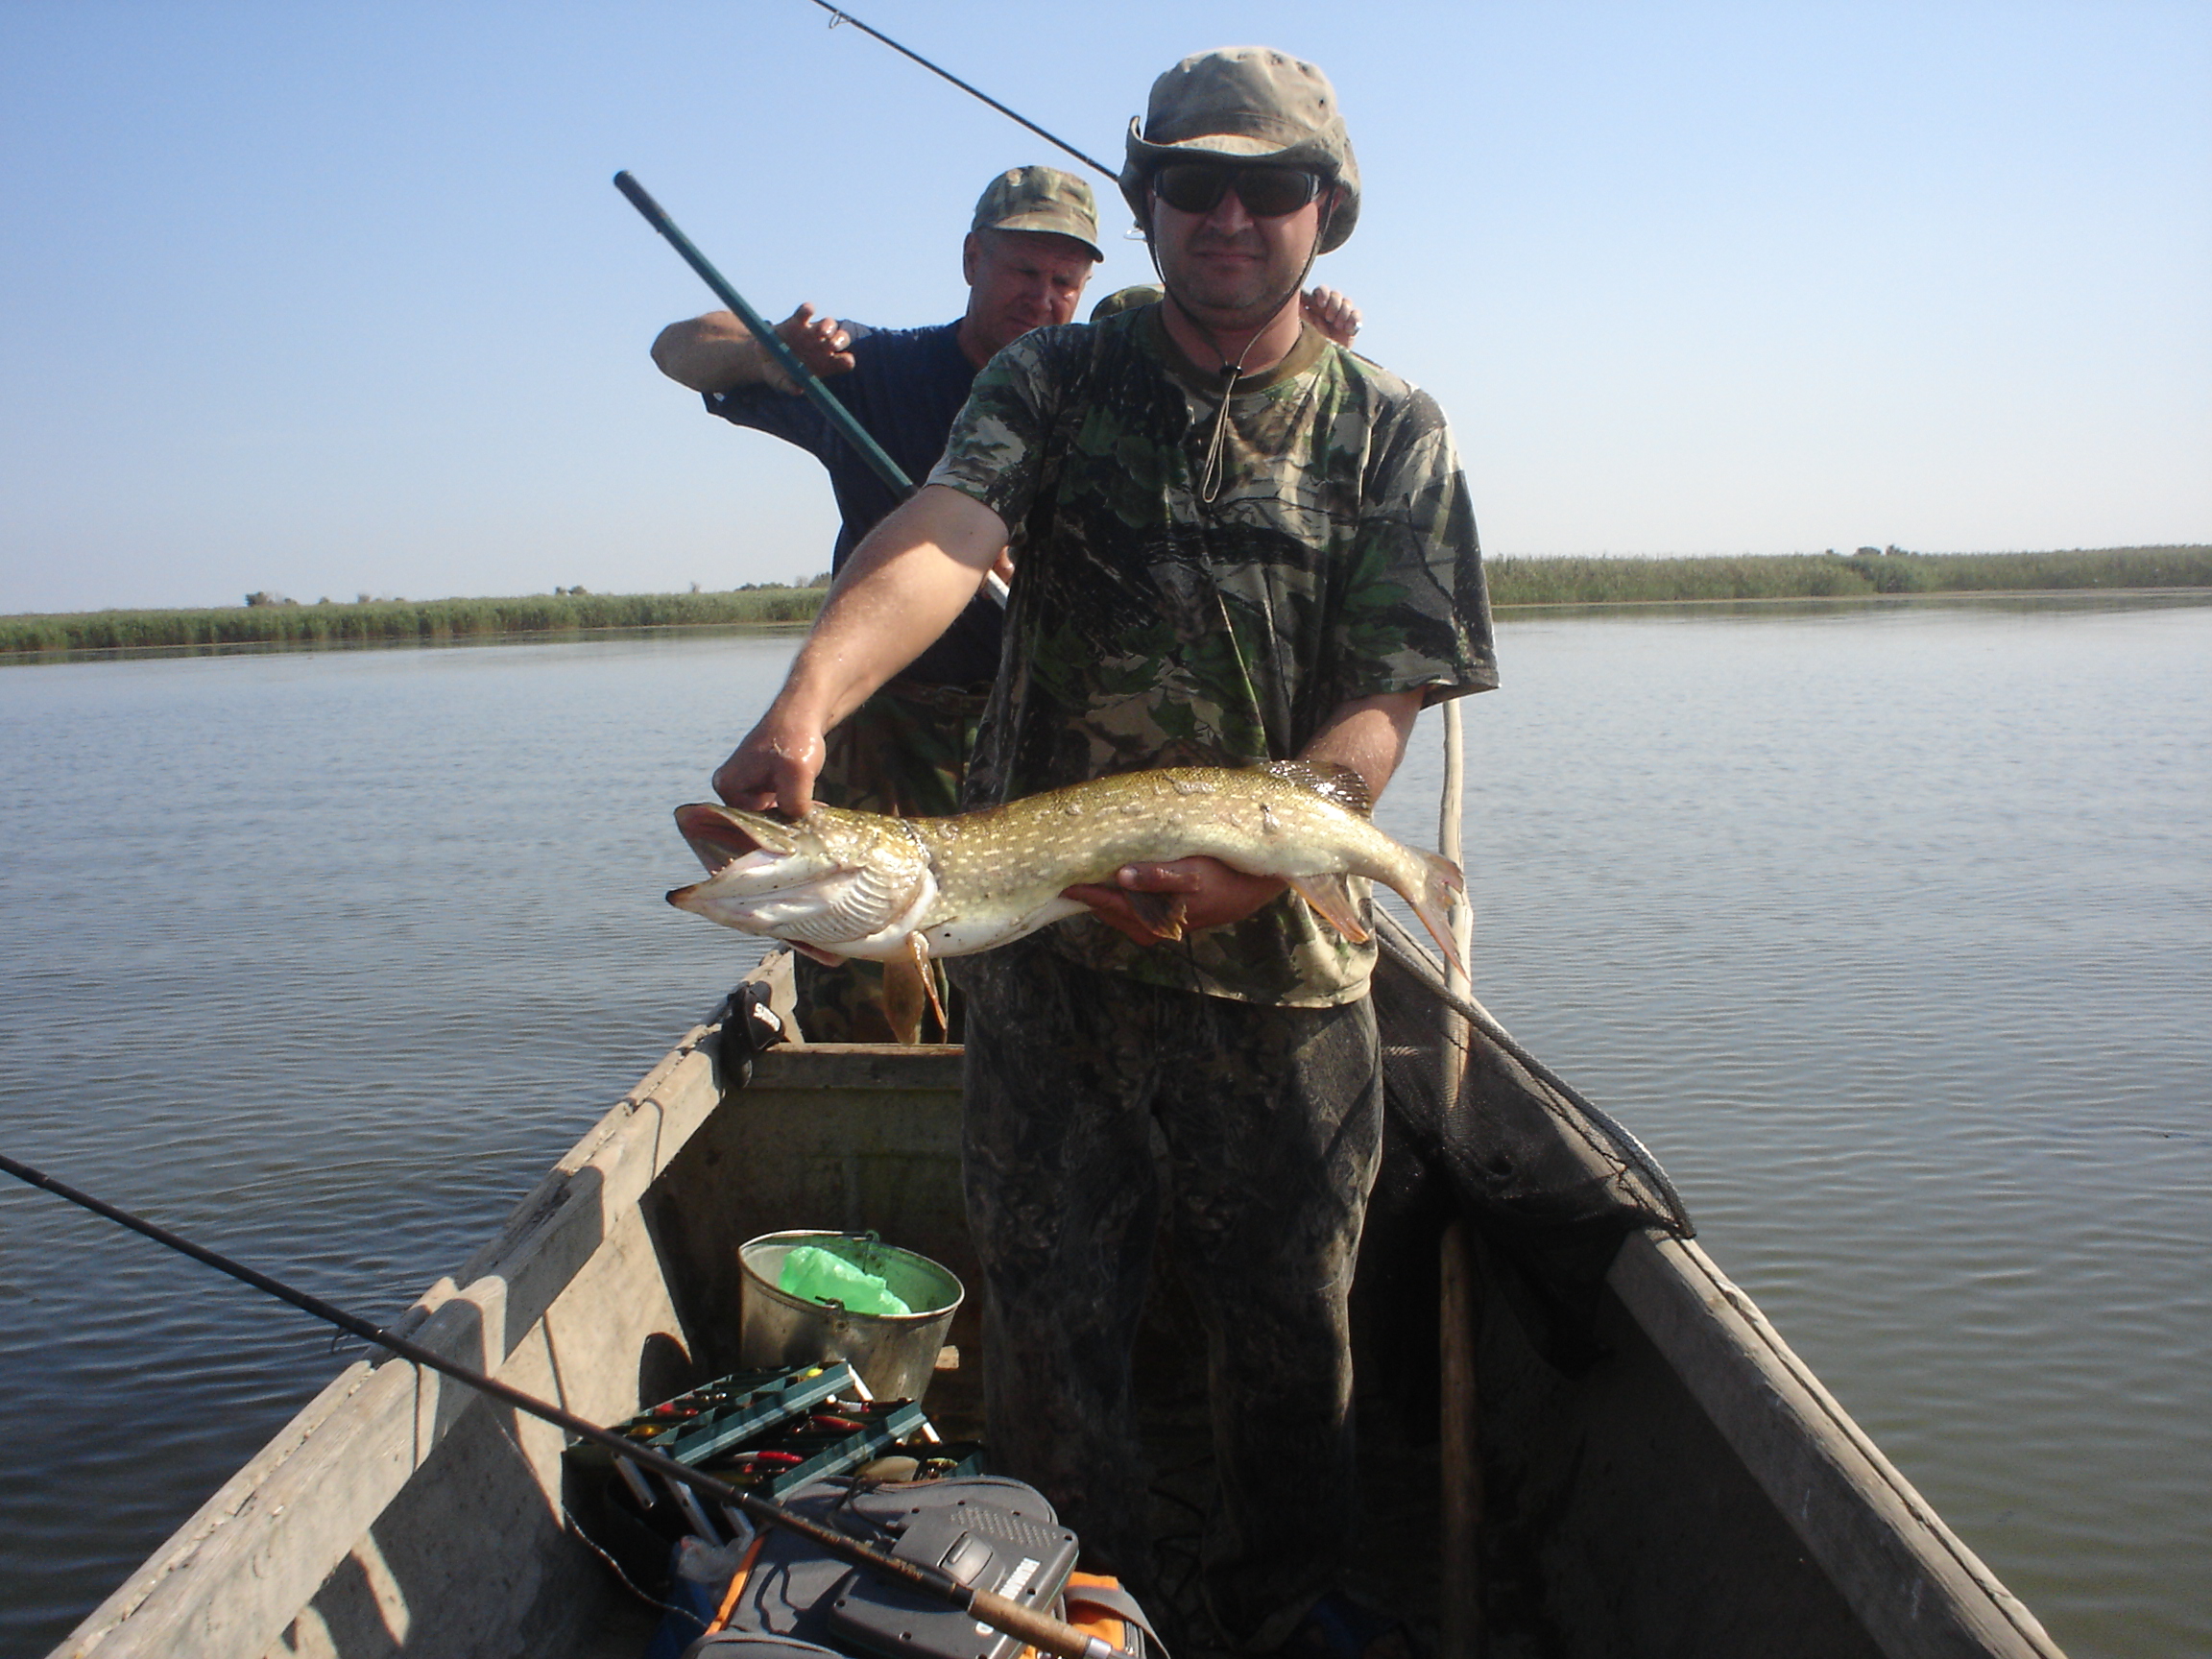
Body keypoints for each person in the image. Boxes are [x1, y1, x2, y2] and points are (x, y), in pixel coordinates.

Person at [713, 46, 1496, 1652]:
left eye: (1265, 186)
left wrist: (1272, 858)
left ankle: (1287, 1610)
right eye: (1189, 184)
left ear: (1324, 212)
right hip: (1046, 979)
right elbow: (940, 537)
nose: (1226, 215)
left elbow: (1380, 701)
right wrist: (807, 703)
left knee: (1290, 1342)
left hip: (1284, 982)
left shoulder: (1390, 432)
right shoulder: (1053, 385)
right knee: (1053, 1343)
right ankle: (1077, 1606)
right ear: (1141, 200)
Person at [653, 167, 1104, 1039]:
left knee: (1040, 976)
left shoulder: (1097, 393)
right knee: (863, 987)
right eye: (1022, 271)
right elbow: (676, 348)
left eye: (1064, 281)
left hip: (1040, 726)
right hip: (888, 726)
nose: (1042, 297)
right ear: (973, 259)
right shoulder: (875, 368)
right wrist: (765, 351)